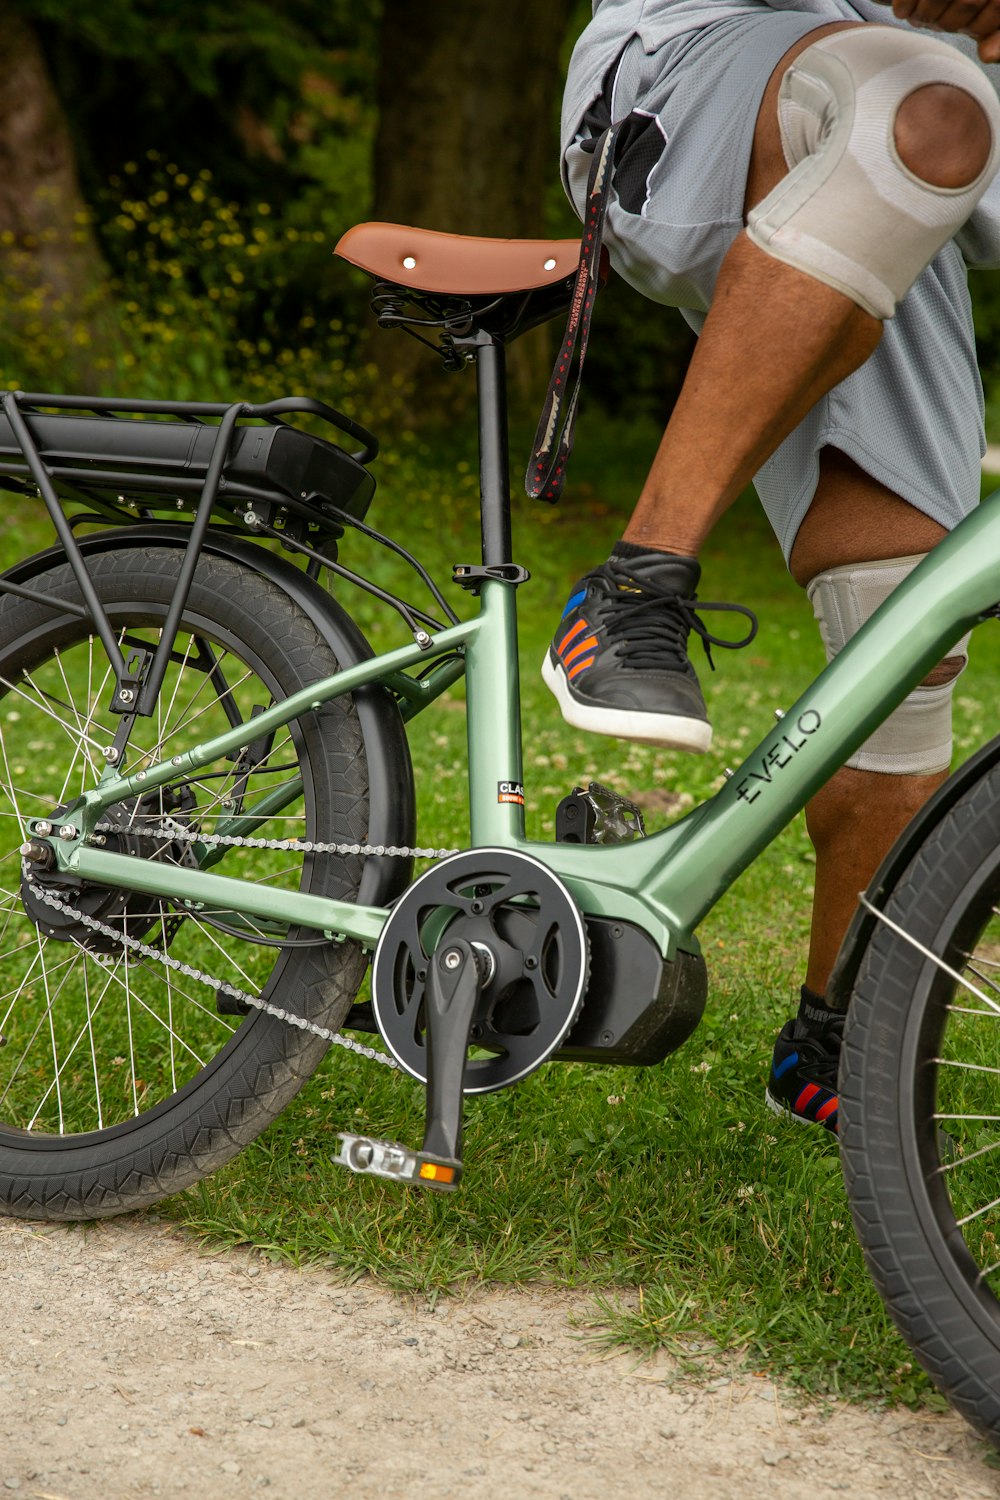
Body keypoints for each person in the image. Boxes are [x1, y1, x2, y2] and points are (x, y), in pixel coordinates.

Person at [545, 0, 1000, 1132]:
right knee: (915, 106)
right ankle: (633, 583)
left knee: (901, 636)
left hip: (901, 166)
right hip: (706, 64)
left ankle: (834, 1043)